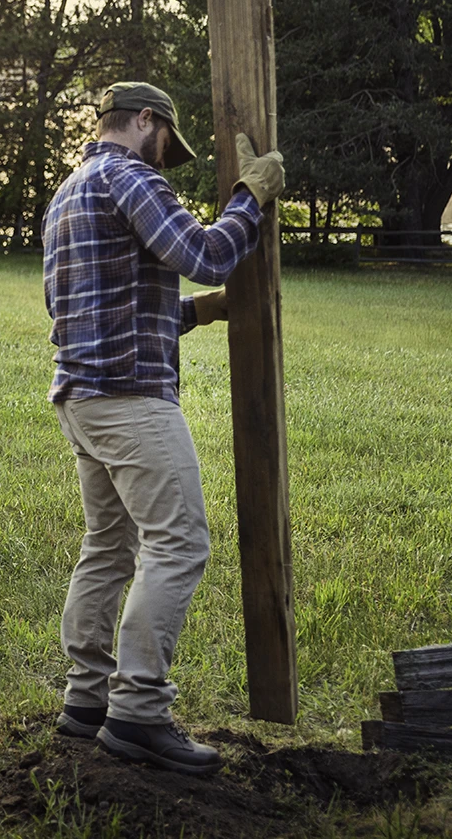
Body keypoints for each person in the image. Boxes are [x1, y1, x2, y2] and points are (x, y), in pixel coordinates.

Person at [41, 81, 283, 776]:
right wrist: (249, 196)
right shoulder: (128, 176)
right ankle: (139, 713)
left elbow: (99, 309)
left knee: (108, 546)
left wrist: (201, 313)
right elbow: (206, 254)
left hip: (83, 397)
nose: (165, 160)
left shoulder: (72, 189)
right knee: (177, 544)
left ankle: (86, 701)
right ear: (143, 120)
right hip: (129, 400)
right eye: (165, 144)